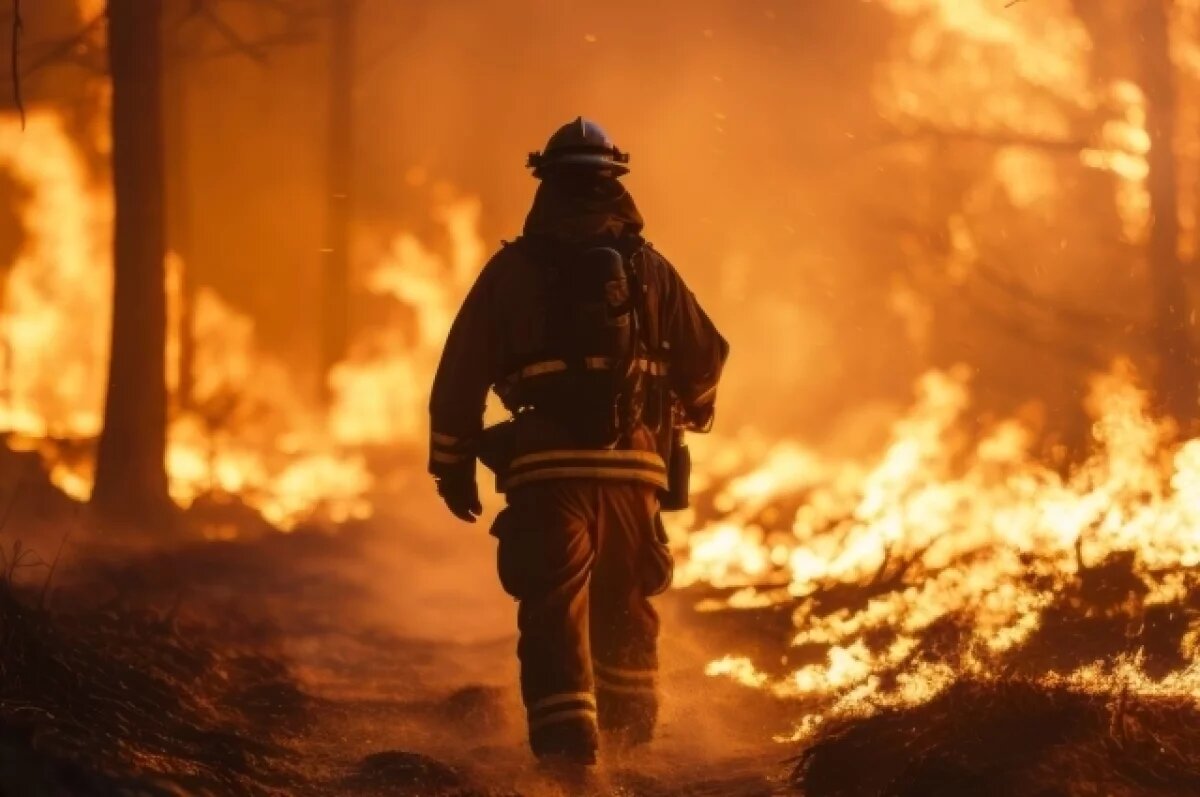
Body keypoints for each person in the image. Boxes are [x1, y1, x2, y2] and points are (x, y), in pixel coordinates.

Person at [428, 117, 728, 773]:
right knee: (625, 604)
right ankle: (631, 748)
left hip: (545, 472)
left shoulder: (510, 271)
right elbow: (706, 356)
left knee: (554, 607)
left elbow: (461, 373)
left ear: (545, 185)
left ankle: (568, 764)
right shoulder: (653, 271)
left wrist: (451, 464)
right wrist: (689, 409)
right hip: (635, 470)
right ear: (616, 184)